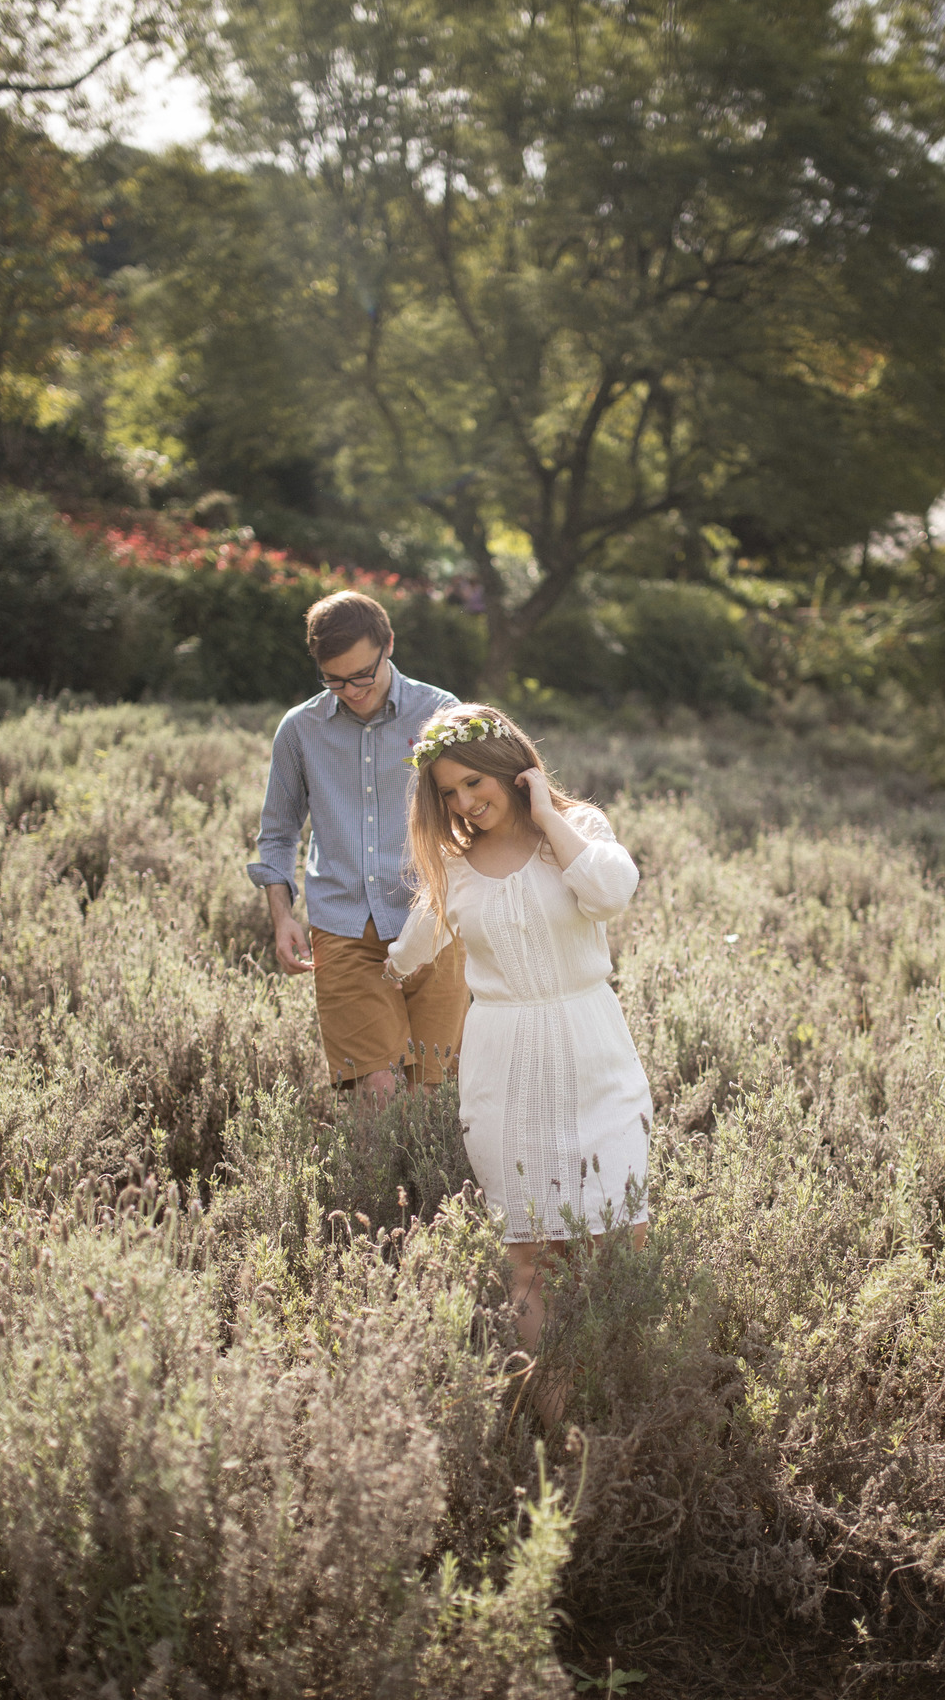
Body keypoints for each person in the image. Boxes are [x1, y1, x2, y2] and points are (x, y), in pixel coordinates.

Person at [385, 703, 652, 1424]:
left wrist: (547, 811)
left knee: (621, 1239)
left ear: (512, 768)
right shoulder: (452, 869)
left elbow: (612, 893)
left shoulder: (580, 834)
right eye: (449, 792)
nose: (466, 802)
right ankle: (555, 1413)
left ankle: (626, 1401)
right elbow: (406, 956)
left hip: (592, 1049)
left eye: (476, 782)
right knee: (531, 1254)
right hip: (503, 1067)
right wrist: (343, 969)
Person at [247, 591, 468, 1103]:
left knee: (430, 1091)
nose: (350, 691)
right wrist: (282, 916)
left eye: (361, 675)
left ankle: (426, 1188)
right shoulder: (300, 729)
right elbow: (278, 834)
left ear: (388, 645)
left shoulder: (440, 712)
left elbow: (473, 808)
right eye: (334, 680)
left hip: (431, 920)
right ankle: (372, 1188)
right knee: (377, 1088)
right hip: (343, 926)